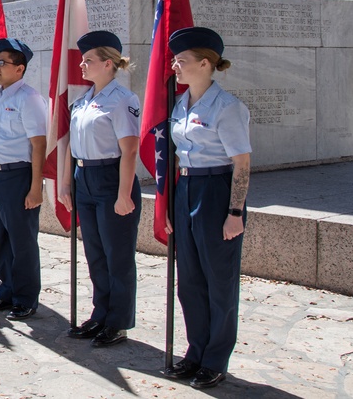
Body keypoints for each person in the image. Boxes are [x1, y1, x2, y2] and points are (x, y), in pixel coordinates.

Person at [162, 26, 252, 390]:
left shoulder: (227, 108)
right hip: (187, 189)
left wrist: (235, 213)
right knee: (191, 281)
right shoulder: (181, 104)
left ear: (204, 63)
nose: (174, 67)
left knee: (219, 281)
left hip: (216, 191)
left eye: (181, 61)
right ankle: (195, 351)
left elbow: (242, 164)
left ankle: (215, 359)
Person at [63, 31, 142, 347]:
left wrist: (124, 194)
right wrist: (67, 183)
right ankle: (101, 314)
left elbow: (130, 150)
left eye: (88, 60)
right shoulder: (83, 101)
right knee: (95, 253)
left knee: (117, 256)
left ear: (108, 64)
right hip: (85, 179)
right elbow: (72, 146)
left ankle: (118, 321)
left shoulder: (122, 100)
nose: (82, 65)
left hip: (112, 180)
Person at [0, 38, 47, 321]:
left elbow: (39, 144)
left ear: (19, 69)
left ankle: (25, 298)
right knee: (0, 239)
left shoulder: (28, 98)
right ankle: (6, 290)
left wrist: (35, 187)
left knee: (22, 241)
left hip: (18, 176)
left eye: (2, 63)